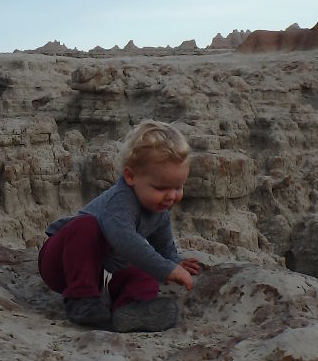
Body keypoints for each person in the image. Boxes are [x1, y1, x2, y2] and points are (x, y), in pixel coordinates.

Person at [39, 119, 201, 332]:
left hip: (100, 272)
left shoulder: (159, 210)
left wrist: (174, 262)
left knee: (144, 268)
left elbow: (163, 246)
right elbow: (125, 241)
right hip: (62, 262)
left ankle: (130, 308)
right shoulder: (120, 201)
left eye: (178, 187)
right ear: (130, 176)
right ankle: (82, 300)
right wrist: (166, 269)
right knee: (86, 226)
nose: (171, 196)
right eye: (162, 187)